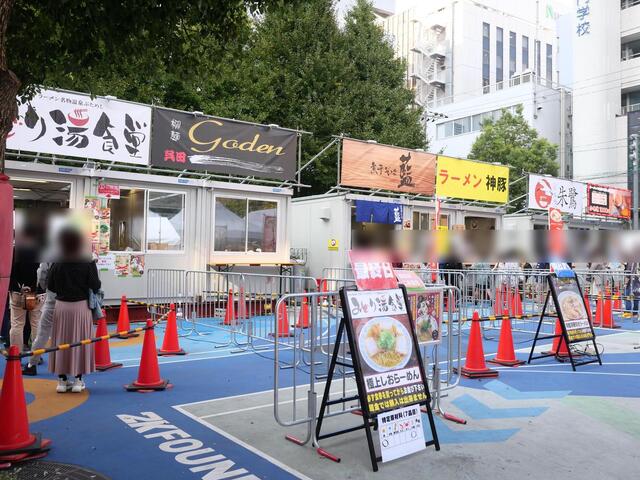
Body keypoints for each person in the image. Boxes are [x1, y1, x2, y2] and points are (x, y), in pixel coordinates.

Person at [47, 226, 100, 393]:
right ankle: (78, 380)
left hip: (61, 306)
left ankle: (62, 381)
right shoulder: (87, 261)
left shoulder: (57, 261)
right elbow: (96, 285)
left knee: (61, 341)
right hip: (80, 306)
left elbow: (50, 285)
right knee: (80, 341)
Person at [9, 224, 45, 352]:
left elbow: (10, 272)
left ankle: (16, 354)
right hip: (37, 292)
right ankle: (36, 354)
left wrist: (16, 287)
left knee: (17, 324)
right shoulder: (41, 251)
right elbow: (45, 273)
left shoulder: (15, 251)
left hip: (18, 292)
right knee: (36, 323)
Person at [22, 259, 56, 376]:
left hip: (52, 297)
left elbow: (42, 273)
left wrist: (44, 286)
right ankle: (75, 368)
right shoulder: (82, 254)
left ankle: (32, 363)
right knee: (72, 335)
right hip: (75, 301)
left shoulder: (51, 254)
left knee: (42, 332)